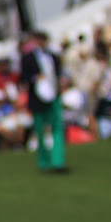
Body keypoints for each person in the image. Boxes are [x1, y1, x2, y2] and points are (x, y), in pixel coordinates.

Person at [20, 30, 67, 173]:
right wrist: (35, 78)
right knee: (40, 130)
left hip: (54, 96)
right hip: (37, 98)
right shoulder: (27, 58)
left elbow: (58, 74)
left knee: (57, 128)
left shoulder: (54, 57)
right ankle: (44, 162)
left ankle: (58, 161)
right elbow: (24, 77)